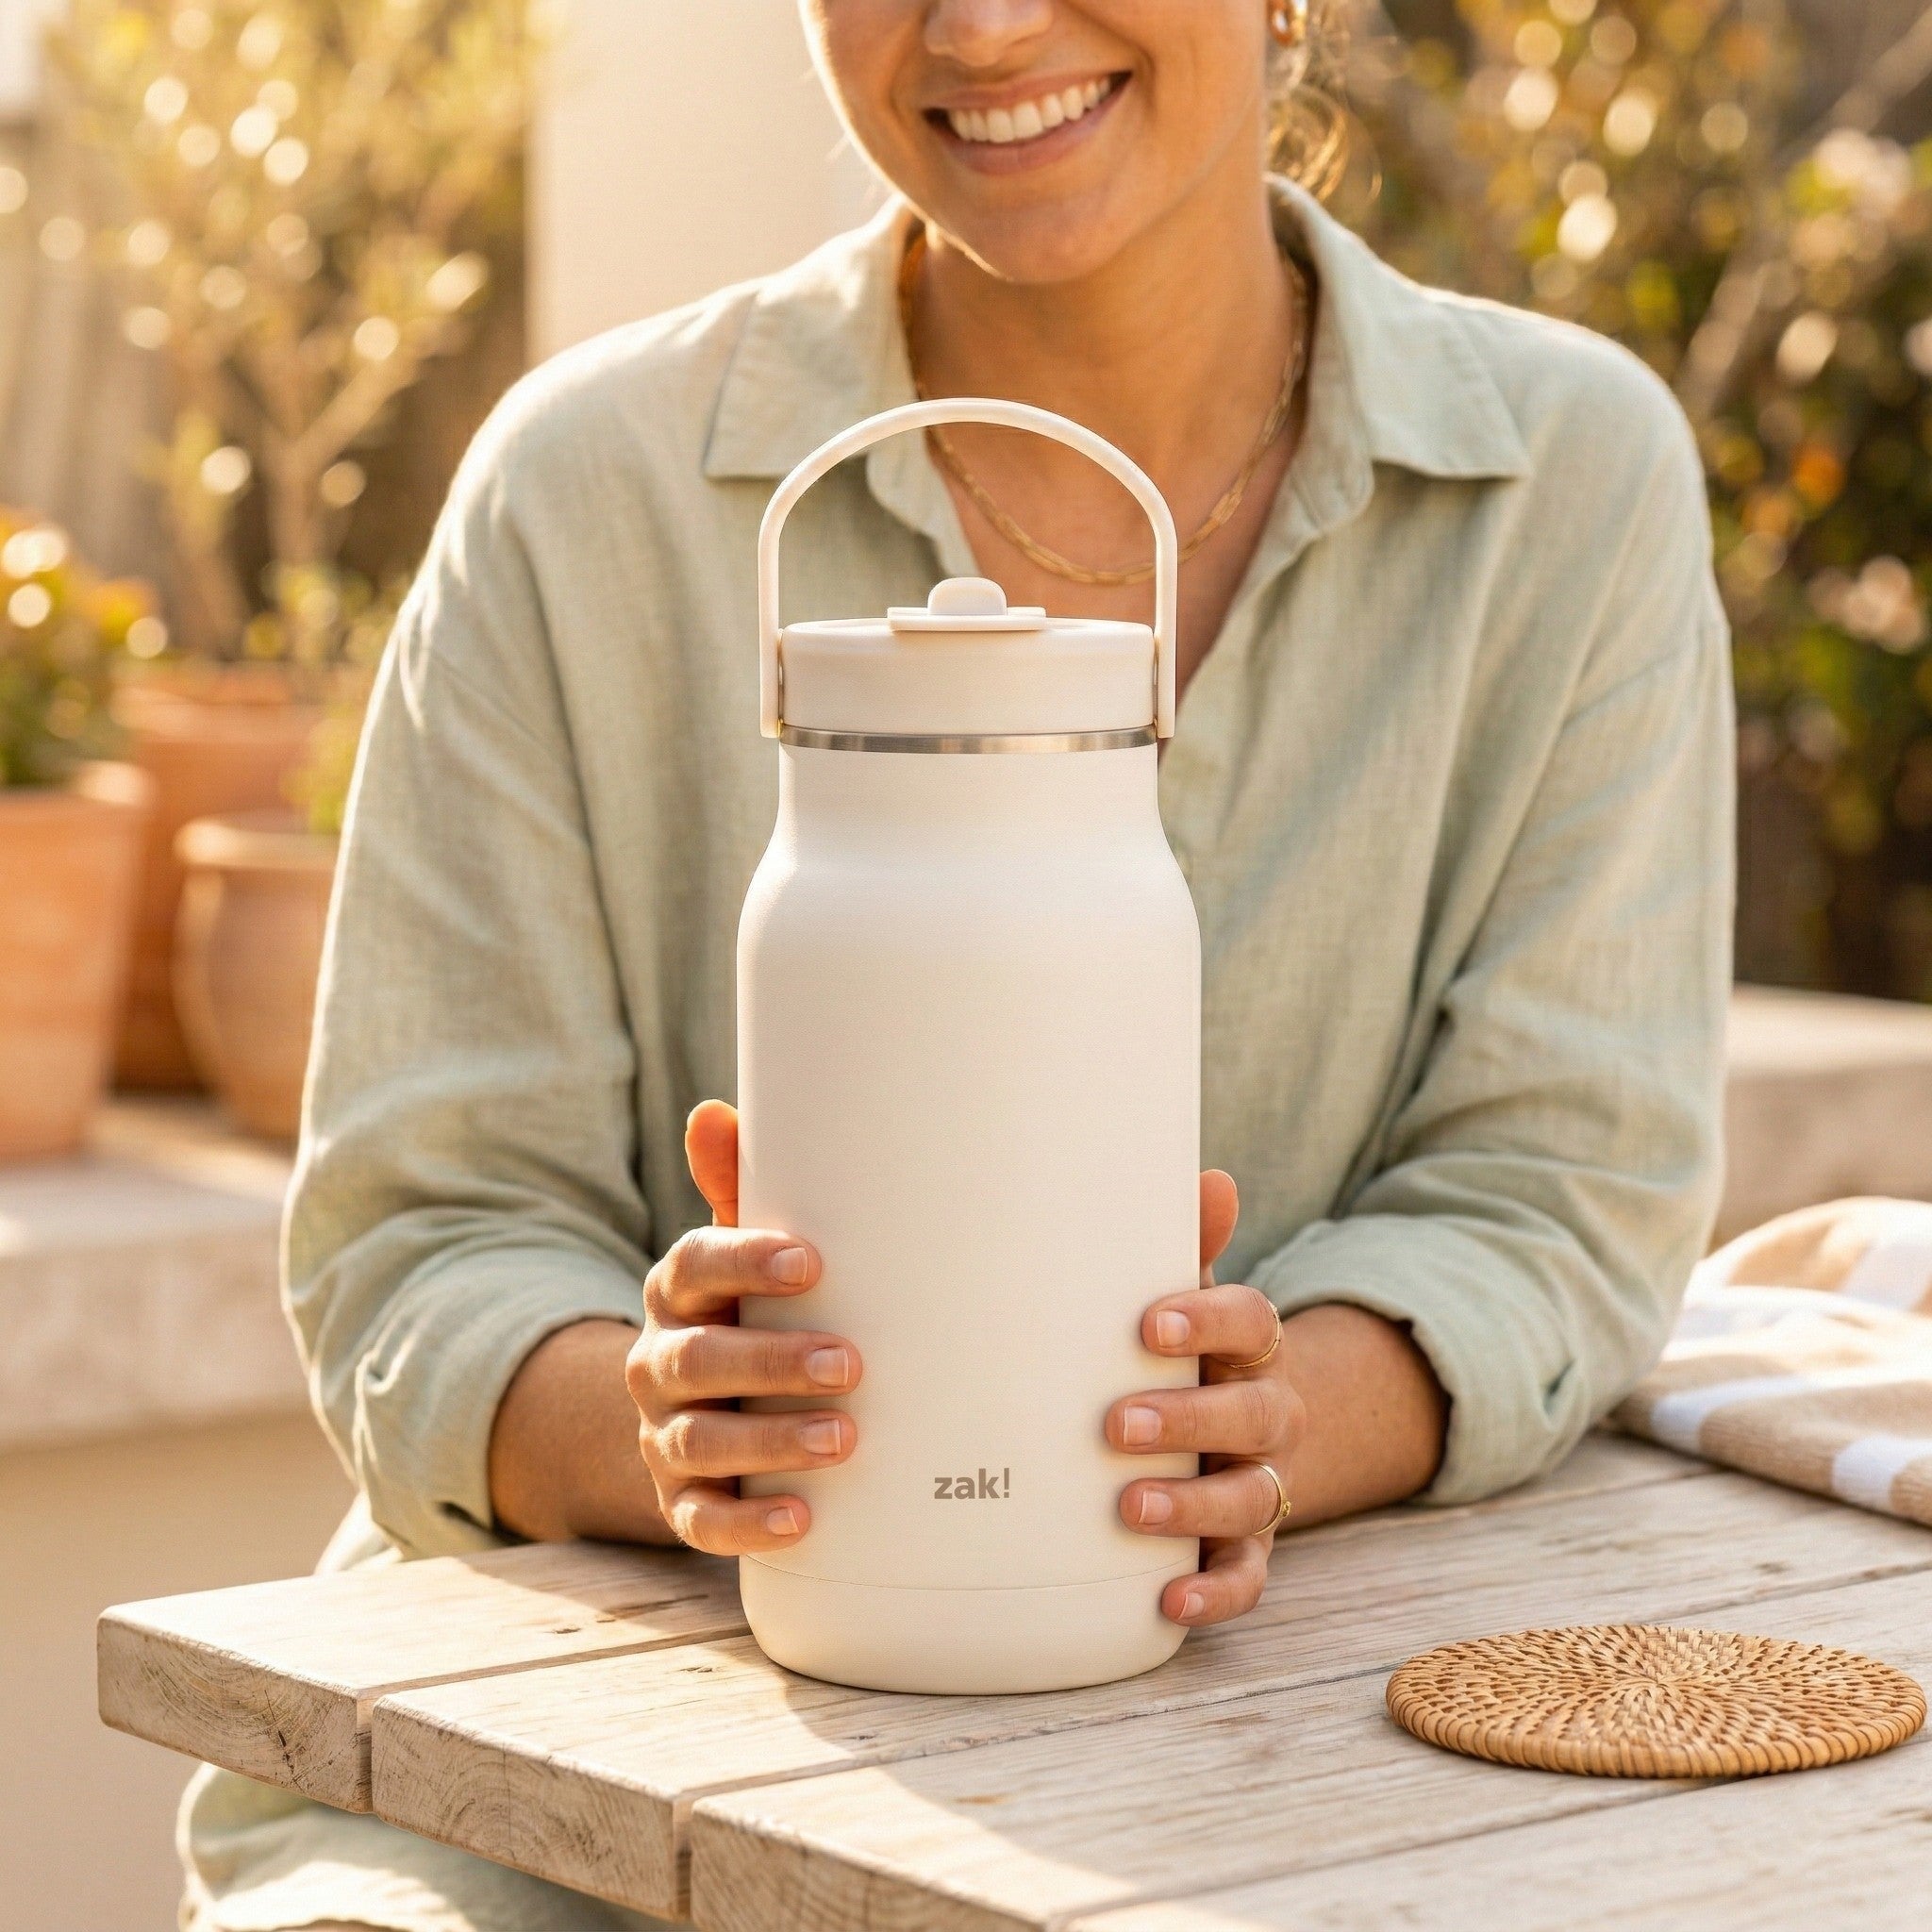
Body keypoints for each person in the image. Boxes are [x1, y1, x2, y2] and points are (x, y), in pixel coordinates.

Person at [178, 2, 1735, 1927]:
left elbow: (1559, 1193)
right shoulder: (586, 492)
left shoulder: (1562, 486)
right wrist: (682, 1423)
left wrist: (1257, 1428)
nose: (986, 25)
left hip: (1290, 1746)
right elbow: (415, 1247)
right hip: (568, 1775)